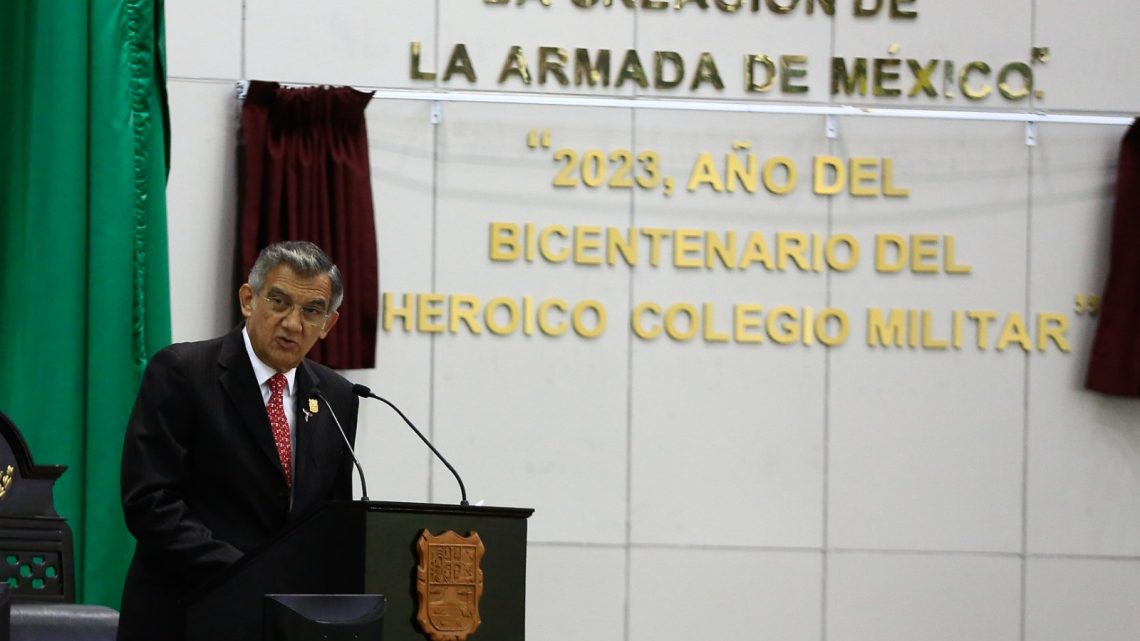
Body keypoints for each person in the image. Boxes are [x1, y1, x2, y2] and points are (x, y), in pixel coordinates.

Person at [117, 241, 360, 641]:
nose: (292, 323)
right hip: (186, 614)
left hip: (283, 625)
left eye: (311, 311)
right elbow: (150, 501)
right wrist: (245, 575)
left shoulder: (336, 397)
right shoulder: (183, 372)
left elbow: (332, 517)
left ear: (329, 324)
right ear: (249, 300)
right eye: (279, 302)